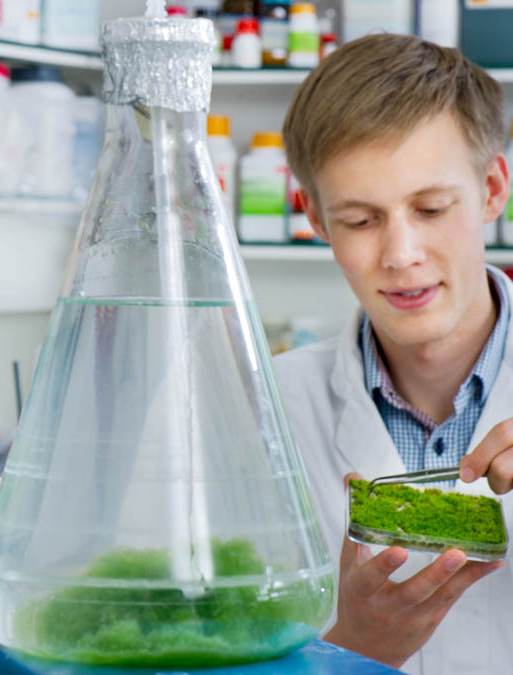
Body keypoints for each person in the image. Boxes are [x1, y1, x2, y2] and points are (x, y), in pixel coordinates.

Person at [276, 33, 513, 673]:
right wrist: (355, 650)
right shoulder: (262, 408)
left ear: (493, 188)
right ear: (316, 220)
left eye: (431, 208)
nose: (401, 254)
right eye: (359, 220)